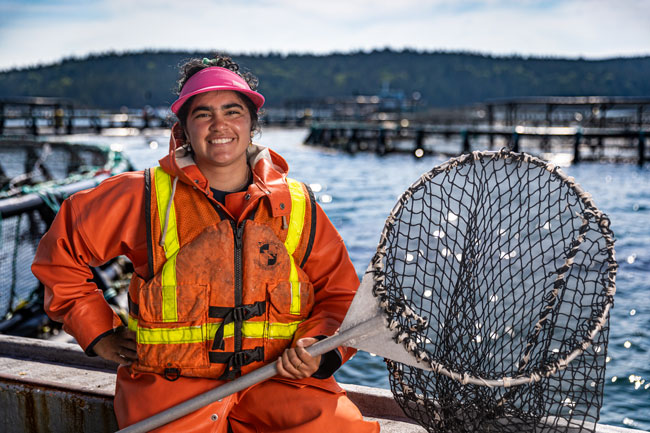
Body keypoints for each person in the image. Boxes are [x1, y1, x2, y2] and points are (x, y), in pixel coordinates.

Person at [32, 55, 379, 433]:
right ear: (183, 129)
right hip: (171, 390)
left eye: (232, 111)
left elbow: (341, 294)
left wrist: (321, 350)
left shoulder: (296, 205)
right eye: (203, 114)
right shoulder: (144, 195)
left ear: (251, 124)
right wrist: (99, 332)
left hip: (279, 381)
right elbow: (59, 254)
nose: (219, 126)